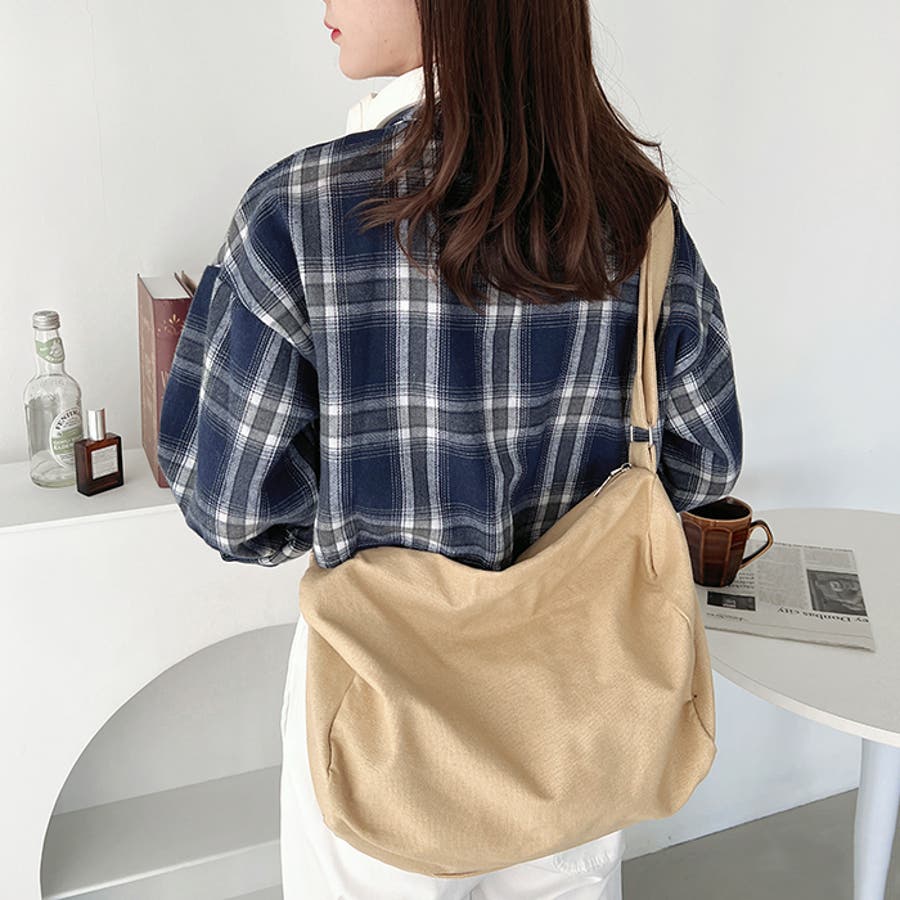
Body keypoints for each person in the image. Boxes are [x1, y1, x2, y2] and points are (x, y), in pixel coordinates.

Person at [158, 1, 743, 897]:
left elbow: (233, 510)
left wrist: (360, 493)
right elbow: (703, 465)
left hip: (380, 723)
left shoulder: (297, 213)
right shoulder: (636, 213)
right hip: (580, 709)